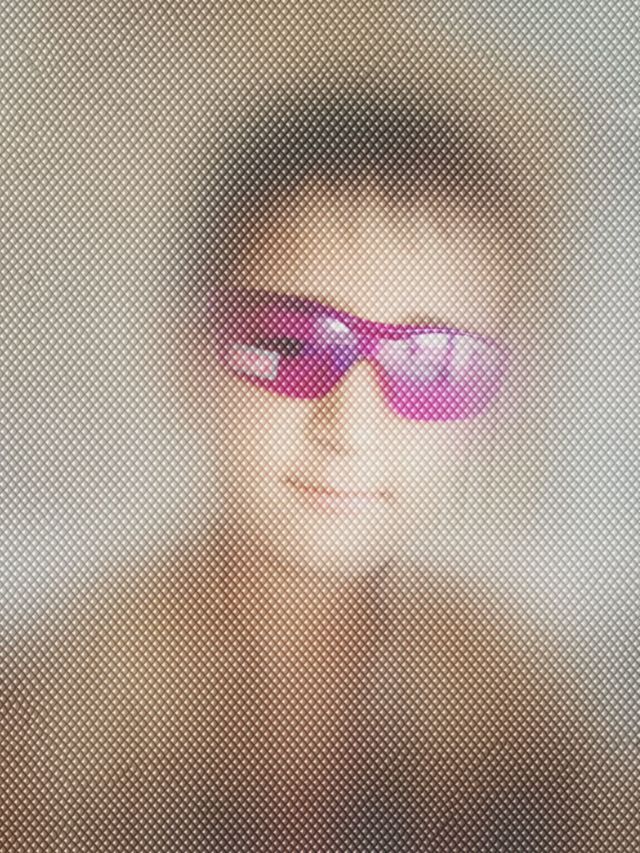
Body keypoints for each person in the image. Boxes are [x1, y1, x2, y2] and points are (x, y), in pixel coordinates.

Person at [2, 78, 612, 850]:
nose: (349, 428)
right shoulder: (49, 715)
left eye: (434, 362)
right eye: (291, 343)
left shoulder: (523, 702)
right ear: (193, 356)